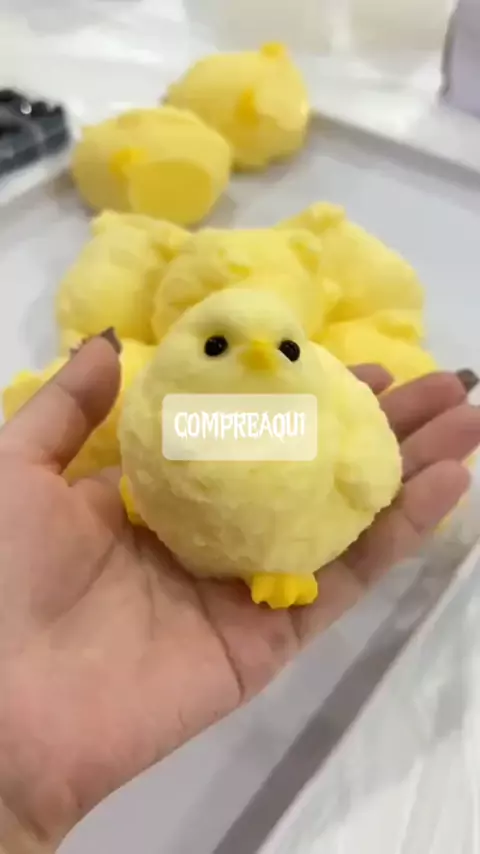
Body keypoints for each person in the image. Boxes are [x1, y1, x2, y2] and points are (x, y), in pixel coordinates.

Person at [0, 329, 478, 853]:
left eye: (286, 350)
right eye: (215, 347)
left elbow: (371, 472)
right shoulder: (170, 412)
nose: (258, 358)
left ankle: (278, 564)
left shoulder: (329, 416)